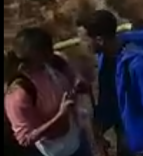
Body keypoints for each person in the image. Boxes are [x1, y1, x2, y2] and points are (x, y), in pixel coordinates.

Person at [78, 11, 143, 156]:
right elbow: (111, 94)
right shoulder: (105, 58)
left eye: (85, 39)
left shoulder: (140, 65)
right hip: (126, 133)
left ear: (99, 40)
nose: (82, 44)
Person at [4, 27, 93, 156]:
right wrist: (60, 116)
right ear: (34, 56)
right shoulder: (18, 93)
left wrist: (79, 83)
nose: (51, 55)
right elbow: (25, 138)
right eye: (45, 54)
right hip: (54, 152)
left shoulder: (55, 61)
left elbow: (74, 76)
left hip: (78, 140)